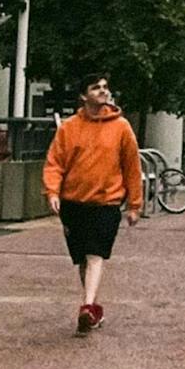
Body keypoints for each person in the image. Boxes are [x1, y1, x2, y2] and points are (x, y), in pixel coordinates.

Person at [42, 71, 143, 336]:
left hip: (106, 203)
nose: (102, 90)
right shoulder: (69, 128)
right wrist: (52, 192)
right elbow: (55, 163)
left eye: (104, 87)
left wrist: (135, 204)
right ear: (84, 96)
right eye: (95, 87)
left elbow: (132, 166)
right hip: (73, 203)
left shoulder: (121, 128)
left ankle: (86, 305)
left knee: (95, 254)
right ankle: (92, 306)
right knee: (83, 260)